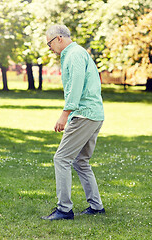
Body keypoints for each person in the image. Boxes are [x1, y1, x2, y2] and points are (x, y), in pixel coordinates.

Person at [42, 25, 105, 220]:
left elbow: (76, 86)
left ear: (59, 38)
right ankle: (96, 206)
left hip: (84, 115)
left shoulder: (74, 55)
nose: (49, 48)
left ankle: (64, 209)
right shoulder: (75, 53)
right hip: (94, 114)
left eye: (49, 43)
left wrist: (65, 114)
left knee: (61, 159)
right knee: (81, 161)